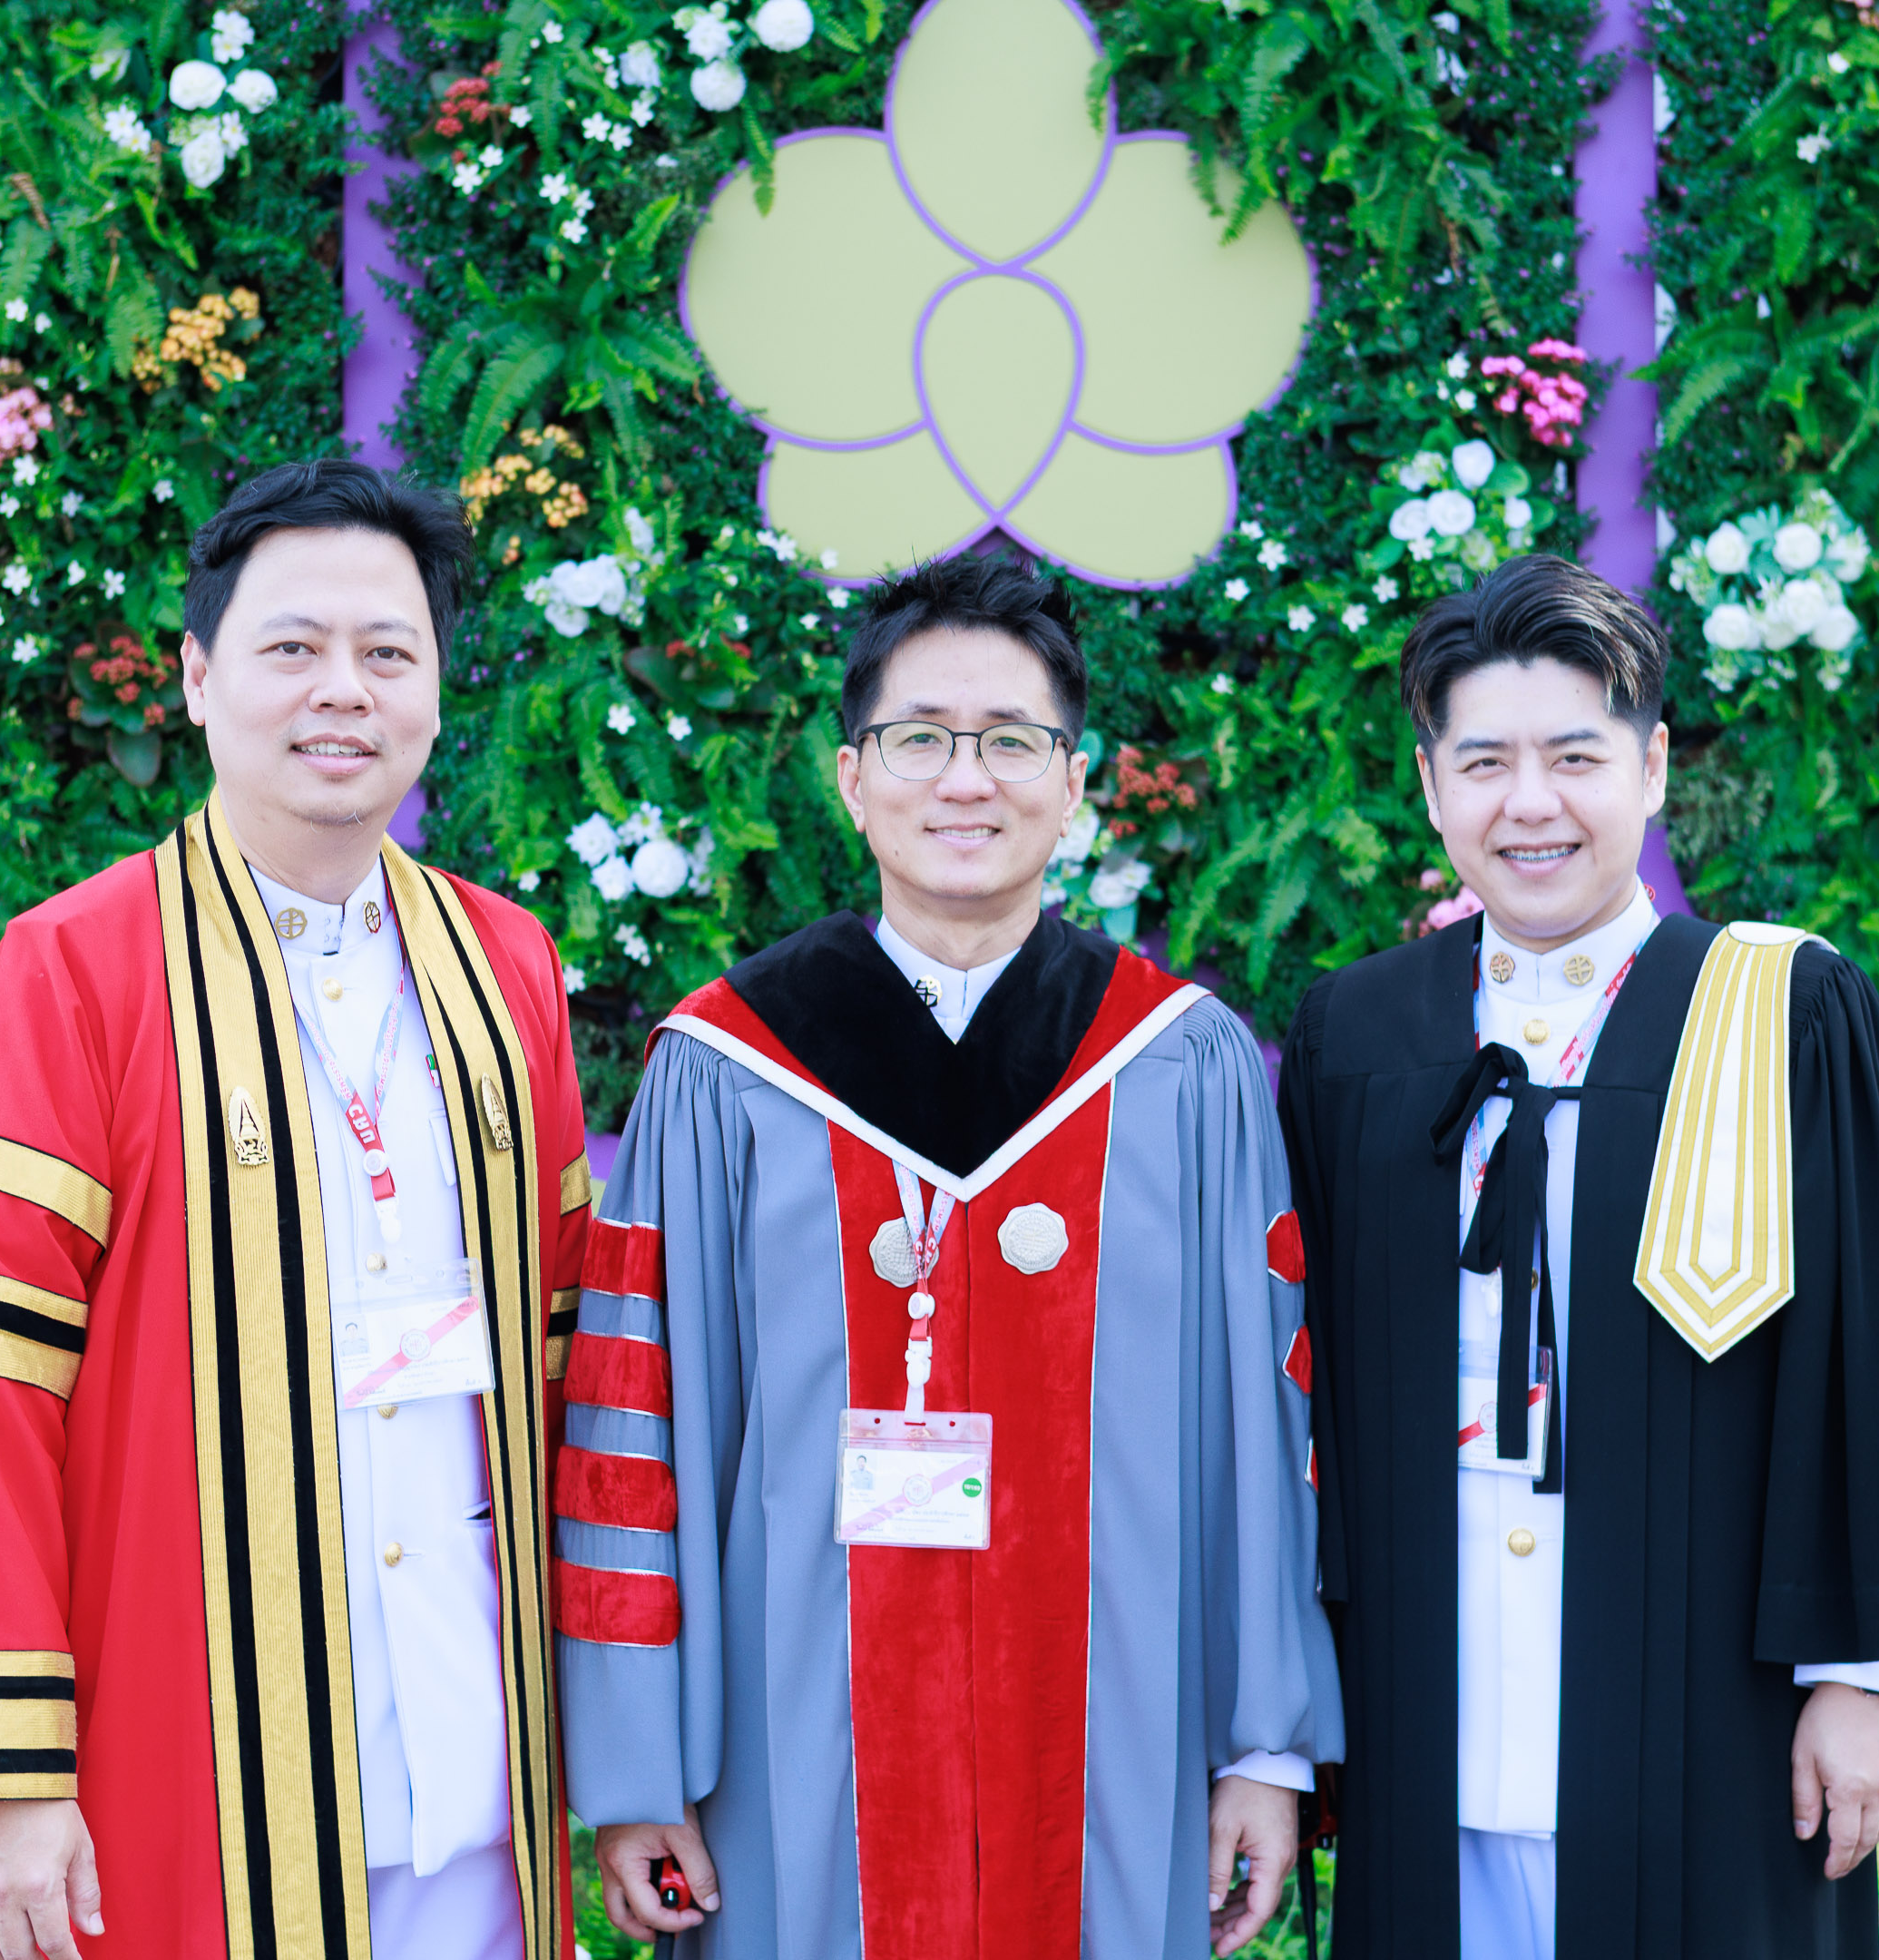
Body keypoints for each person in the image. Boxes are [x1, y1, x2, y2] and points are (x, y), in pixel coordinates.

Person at [552, 553, 1342, 1959]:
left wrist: (1265, 1751)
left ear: (1075, 783)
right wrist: (638, 1773)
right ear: (852, 780)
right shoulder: (725, 1071)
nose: (965, 780)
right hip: (792, 1759)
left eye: (1012, 743)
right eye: (920, 739)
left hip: (1115, 1749)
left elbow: (1261, 1433)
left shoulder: (1184, 1071)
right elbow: (636, 1432)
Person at [1279, 554, 1879, 1957]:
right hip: (1423, 1690)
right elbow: (1298, 1381)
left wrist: (1858, 1679)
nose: (1531, 803)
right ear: (1431, 785)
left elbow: (1869, 1355)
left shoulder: (1779, 1011)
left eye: (1576, 757)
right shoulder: (1356, 1035)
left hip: (1708, 1703)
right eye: (1485, 762)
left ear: (1654, 766)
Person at [0, 459, 592, 1960]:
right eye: (293, 647)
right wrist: (6, 1773)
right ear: (200, 678)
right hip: (201, 1759)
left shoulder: (507, 969)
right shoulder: (73, 970)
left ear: (435, 689)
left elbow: (566, 1350)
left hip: (479, 1760)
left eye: (388, 651)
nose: (344, 689)